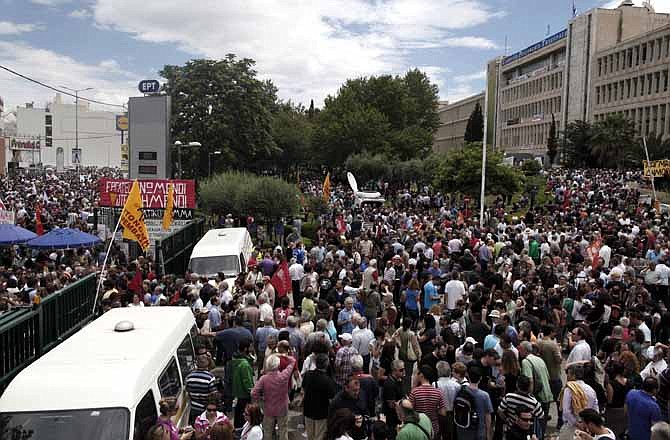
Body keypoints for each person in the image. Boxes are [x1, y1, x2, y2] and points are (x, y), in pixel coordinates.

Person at [251, 354, 296, 440]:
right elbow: (293, 361)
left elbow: (254, 393)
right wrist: (282, 355)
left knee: (268, 431)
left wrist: (261, 400)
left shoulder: (264, 379)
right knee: (283, 430)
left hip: (268, 408)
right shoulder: (284, 375)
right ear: (278, 365)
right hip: (282, 408)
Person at [303, 353, 338, 440]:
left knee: (310, 435)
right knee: (319, 436)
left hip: (308, 409)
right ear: (326, 364)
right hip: (321, 413)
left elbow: (303, 390)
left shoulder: (308, 375)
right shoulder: (328, 381)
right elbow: (331, 399)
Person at [560, 364, 599, 440]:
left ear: (573, 375)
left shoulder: (569, 389)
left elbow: (566, 411)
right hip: (587, 427)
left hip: (571, 427)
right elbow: (595, 409)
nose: (567, 377)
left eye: (568, 374)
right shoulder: (590, 389)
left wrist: (577, 424)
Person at [454, 368, 494, 440]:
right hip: (479, 431)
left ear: (468, 377)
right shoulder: (484, 395)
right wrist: (488, 433)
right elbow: (488, 416)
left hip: (462, 429)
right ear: (480, 378)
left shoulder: (460, 390)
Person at [409, 365, 447, 438]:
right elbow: (443, 412)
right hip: (433, 427)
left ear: (421, 375)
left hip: (419, 426)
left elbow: (409, 411)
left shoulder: (415, 392)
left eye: (418, 373)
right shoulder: (438, 392)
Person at [185, 354, 218, 424]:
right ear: (207, 364)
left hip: (194, 407)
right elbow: (214, 394)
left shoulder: (189, 377)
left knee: (197, 426)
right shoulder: (210, 377)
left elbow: (188, 391)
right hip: (206, 409)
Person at [434, 361, 461, 440]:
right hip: (452, 415)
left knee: (438, 435)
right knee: (449, 436)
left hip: (439, 414)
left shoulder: (435, 384)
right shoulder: (457, 385)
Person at [232, 339, 255, 429]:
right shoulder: (244, 364)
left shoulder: (236, 359)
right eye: (251, 346)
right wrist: (252, 391)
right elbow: (247, 381)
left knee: (239, 412)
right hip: (244, 393)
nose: (252, 348)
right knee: (243, 414)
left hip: (238, 392)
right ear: (246, 349)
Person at [383, 360, 406, 438]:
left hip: (398, 417)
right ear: (394, 370)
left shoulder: (399, 380)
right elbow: (392, 405)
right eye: (401, 370)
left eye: (404, 369)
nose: (404, 371)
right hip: (392, 419)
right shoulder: (389, 384)